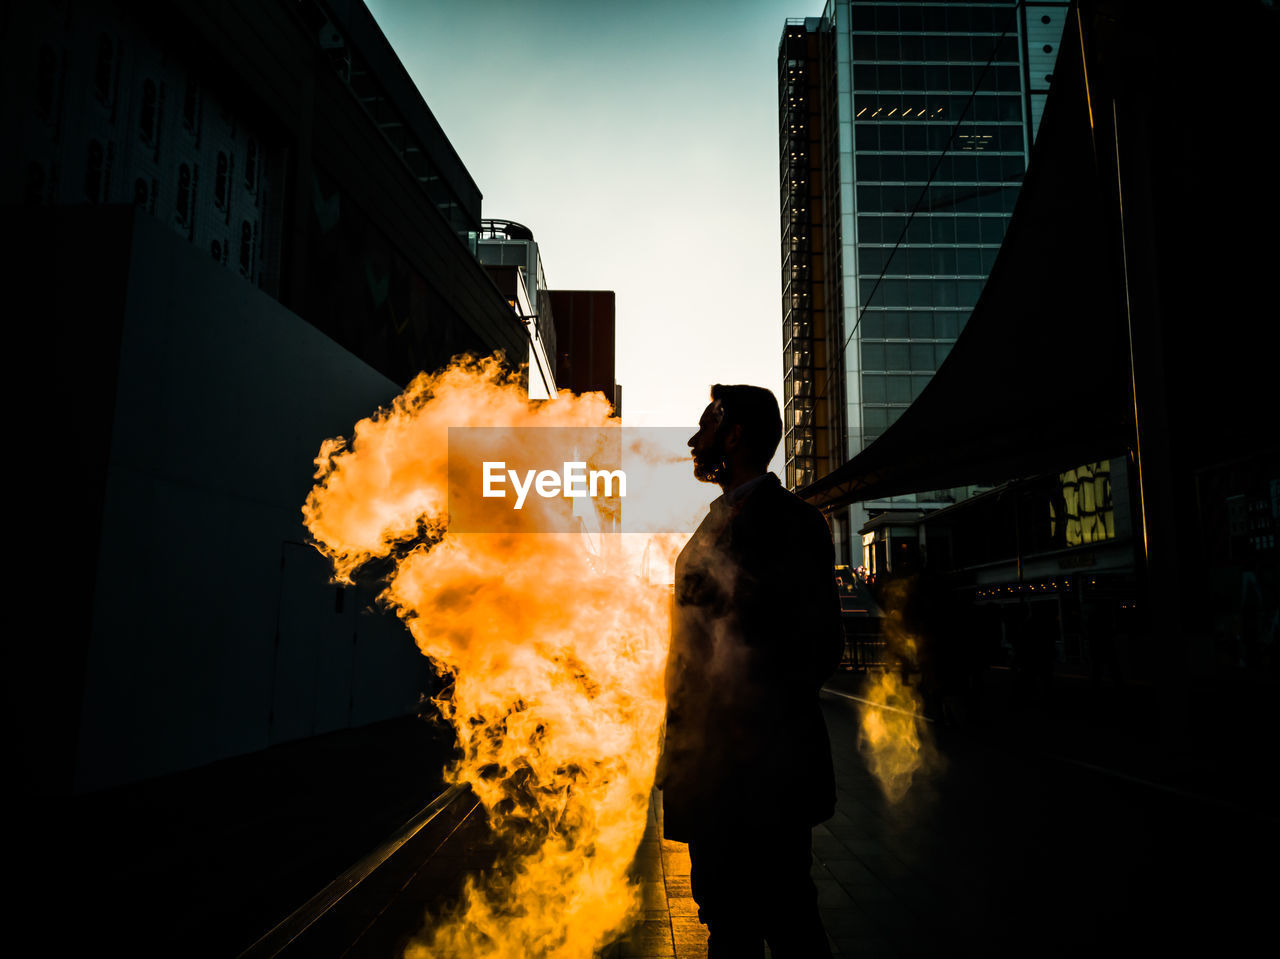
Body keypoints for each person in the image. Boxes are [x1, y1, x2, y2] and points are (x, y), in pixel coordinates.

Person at [657, 384, 843, 958]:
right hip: (715, 770)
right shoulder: (716, 520)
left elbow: (818, 647)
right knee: (727, 921)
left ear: (734, 435)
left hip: (762, 771)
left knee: (786, 919)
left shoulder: (796, 524)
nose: (695, 437)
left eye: (708, 423)